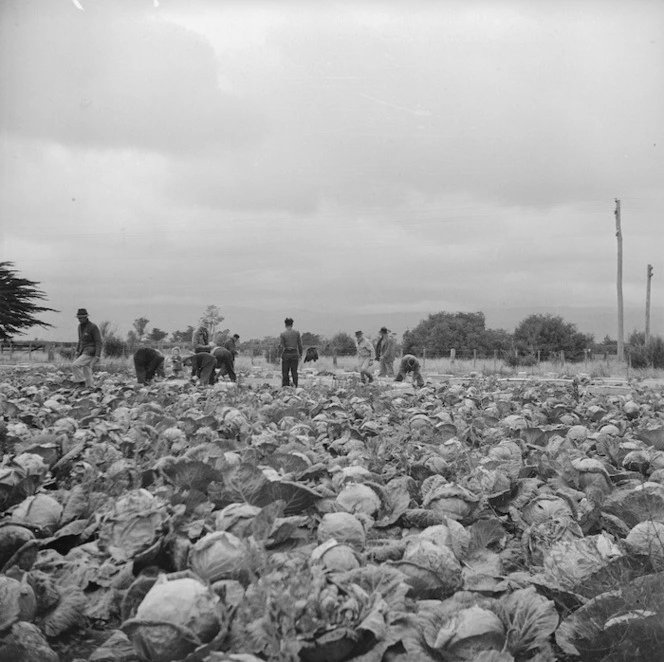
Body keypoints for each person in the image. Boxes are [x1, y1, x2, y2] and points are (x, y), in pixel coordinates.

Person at [72, 308, 102, 389]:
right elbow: (80, 340)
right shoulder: (79, 327)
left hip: (91, 351)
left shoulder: (93, 327)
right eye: (78, 318)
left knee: (75, 365)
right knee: (87, 368)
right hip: (83, 350)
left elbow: (98, 341)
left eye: (81, 318)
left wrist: (97, 355)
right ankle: (90, 387)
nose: (79, 319)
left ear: (86, 317)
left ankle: (81, 381)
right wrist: (77, 351)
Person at [278, 317, 303, 387]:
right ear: (292, 324)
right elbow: (300, 345)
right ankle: (295, 386)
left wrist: (279, 355)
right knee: (294, 372)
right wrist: (300, 354)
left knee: (285, 372)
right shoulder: (297, 333)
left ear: (285, 325)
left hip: (286, 354)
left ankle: (285, 387)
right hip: (295, 354)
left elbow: (281, 346)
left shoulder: (283, 334)